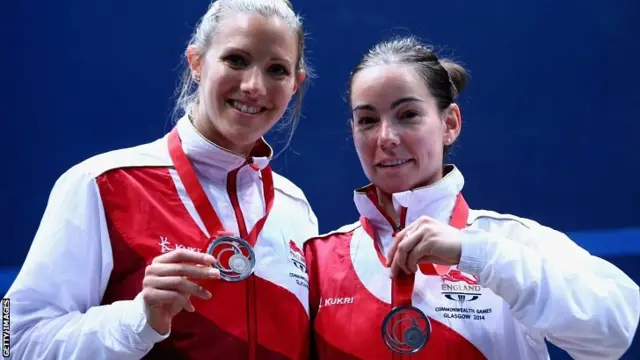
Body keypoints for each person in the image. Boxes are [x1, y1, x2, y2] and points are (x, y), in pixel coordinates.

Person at [6, 0, 318, 359]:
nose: (254, 85)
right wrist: (139, 319)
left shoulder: (294, 207)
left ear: (296, 84)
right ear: (197, 62)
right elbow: (9, 338)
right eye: (236, 60)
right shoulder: (103, 184)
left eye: (277, 69)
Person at [304, 35, 640, 360]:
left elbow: (614, 331)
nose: (386, 137)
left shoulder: (510, 242)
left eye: (408, 115)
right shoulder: (319, 261)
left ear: (449, 123)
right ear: (352, 130)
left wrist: (475, 254)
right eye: (367, 120)